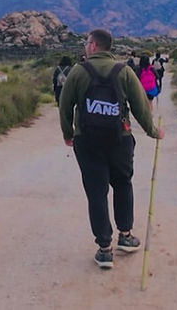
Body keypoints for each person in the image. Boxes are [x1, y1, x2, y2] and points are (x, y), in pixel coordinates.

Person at [59, 28, 164, 269]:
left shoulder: (78, 71)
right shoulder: (124, 71)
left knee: (96, 193)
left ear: (94, 46)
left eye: (87, 42)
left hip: (87, 141)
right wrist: (153, 131)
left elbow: (65, 106)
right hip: (120, 140)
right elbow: (140, 107)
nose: (85, 46)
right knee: (123, 184)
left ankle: (104, 249)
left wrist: (68, 133)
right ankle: (125, 235)